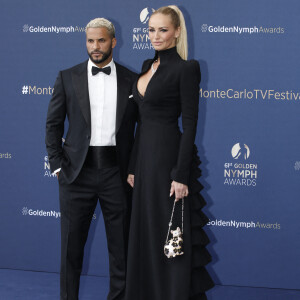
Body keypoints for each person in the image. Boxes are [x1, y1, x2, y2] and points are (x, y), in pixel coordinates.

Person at [125, 6, 214, 300]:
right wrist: (133, 167)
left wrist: (181, 174)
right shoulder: (145, 65)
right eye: (151, 30)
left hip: (169, 162)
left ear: (177, 32)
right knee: (146, 233)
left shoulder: (187, 69)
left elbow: (189, 126)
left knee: (171, 235)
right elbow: (141, 122)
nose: (156, 36)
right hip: (144, 165)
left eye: (163, 30)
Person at [45, 18, 137, 300]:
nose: (95, 47)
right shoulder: (67, 76)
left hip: (116, 173)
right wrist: (58, 165)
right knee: (71, 249)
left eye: (101, 40)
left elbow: (142, 129)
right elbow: (53, 124)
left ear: (113, 42)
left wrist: (134, 169)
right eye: (90, 41)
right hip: (76, 174)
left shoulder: (131, 79)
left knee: (121, 249)